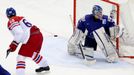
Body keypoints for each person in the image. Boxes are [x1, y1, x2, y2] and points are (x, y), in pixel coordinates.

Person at [6, 7, 50, 75]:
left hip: (32, 37)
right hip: (39, 35)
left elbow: (19, 33)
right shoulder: (21, 17)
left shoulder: (11, 20)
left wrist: (12, 46)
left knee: (20, 57)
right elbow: (23, 33)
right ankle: (45, 66)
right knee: (32, 53)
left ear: (7, 16)